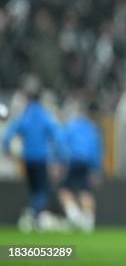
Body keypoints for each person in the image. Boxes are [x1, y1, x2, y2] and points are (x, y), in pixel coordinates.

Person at [1, 81, 63, 229]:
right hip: (42, 158)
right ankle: (35, 216)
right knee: (42, 189)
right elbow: (57, 137)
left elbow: (8, 134)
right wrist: (56, 158)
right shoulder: (44, 116)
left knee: (33, 188)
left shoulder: (25, 116)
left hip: (28, 158)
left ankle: (33, 215)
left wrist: (7, 149)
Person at [58, 100, 103, 232]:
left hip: (73, 160)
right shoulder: (93, 128)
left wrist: (60, 161)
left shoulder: (72, 125)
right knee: (85, 191)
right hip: (87, 162)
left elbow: (61, 143)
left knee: (64, 190)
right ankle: (88, 221)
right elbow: (96, 150)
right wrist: (96, 169)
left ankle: (75, 217)